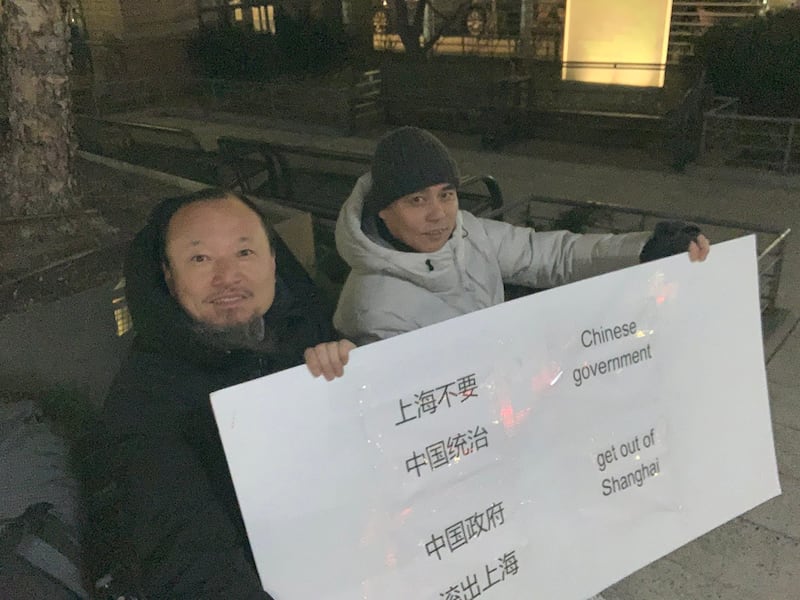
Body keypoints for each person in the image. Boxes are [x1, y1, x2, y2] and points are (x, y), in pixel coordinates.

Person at [84, 189, 352, 599]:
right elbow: (189, 559)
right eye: (200, 258)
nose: (227, 276)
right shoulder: (145, 402)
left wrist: (360, 384)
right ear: (169, 278)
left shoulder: (307, 334)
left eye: (244, 253)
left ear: (273, 261)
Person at [334, 126, 710, 345]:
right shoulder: (373, 307)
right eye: (417, 200)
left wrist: (647, 250)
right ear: (384, 209)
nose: (438, 214)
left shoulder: (469, 233)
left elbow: (551, 255)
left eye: (446, 194)